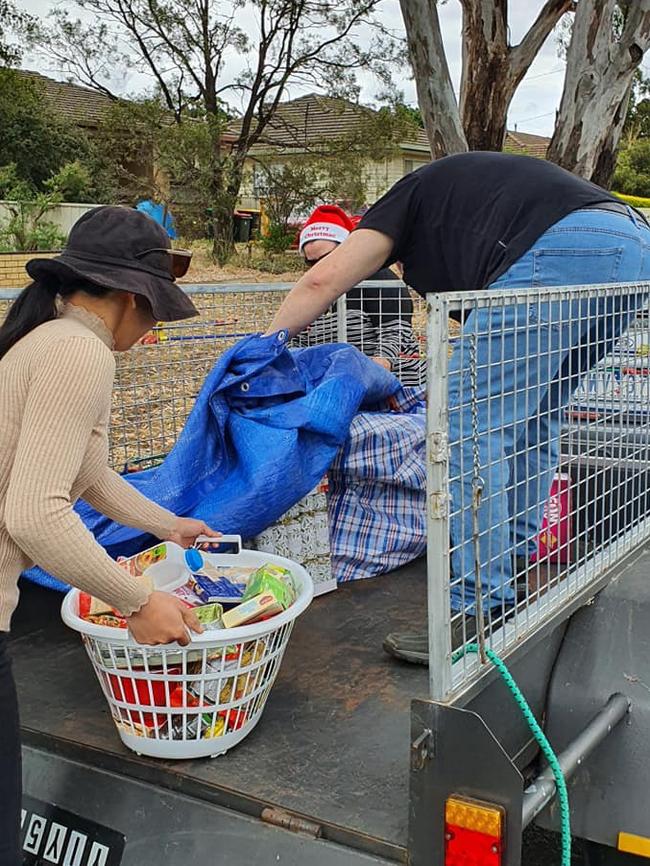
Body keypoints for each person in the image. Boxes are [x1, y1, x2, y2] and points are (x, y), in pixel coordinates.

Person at [266, 152, 650, 664]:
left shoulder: (399, 205)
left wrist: (261, 350)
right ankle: (510, 572)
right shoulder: (467, 212)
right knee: (535, 419)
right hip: (632, 241)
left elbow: (323, 280)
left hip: (563, 246)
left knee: (469, 422)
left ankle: (472, 610)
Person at [0, 206, 219, 865]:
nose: (153, 329)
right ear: (131, 297)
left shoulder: (49, 339)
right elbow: (36, 514)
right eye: (155, 310)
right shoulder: (80, 353)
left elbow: (87, 474)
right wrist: (137, 599)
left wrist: (169, 524)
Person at [293, 205, 426, 387]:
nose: (318, 267)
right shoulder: (313, 290)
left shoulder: (378, 278)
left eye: (326, 258)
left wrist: (371, 373)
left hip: (393, 382)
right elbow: (298, 338)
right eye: (311, 262)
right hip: (335, 384)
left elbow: (395, 333)